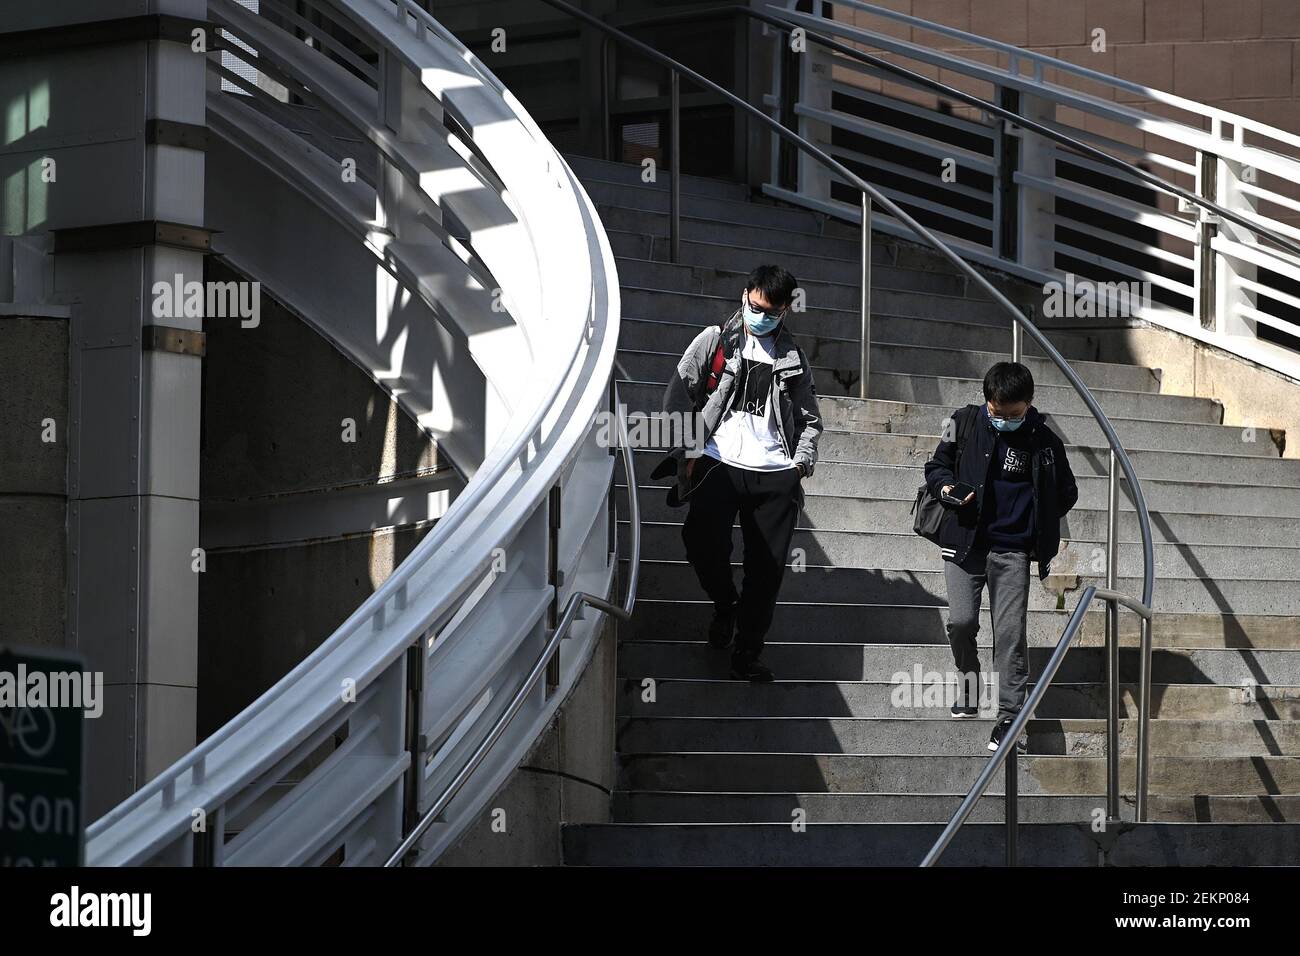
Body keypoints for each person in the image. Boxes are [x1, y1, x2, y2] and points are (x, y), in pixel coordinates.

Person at [651, 265, 822, 682]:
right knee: (701, 543)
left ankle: (747, 651)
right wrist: (687, 451)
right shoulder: (715, 340)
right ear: (745, 295)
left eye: (772, 311)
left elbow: (810, 419)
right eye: (756, 306)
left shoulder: (792, 358)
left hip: (774, 474)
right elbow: (677, 397)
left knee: (766, 572)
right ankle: (724, 604)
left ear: (785, 311)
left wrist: (800, 463)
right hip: (717, 462)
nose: (761, 316)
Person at [923, 361, 1079, 752]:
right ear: (986, 401)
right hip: (963, 543)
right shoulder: (963, 422)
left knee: (1010, 636)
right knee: (961, 623)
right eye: (997, 412)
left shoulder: (1045, 442)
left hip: (1011, 551)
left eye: (1014, 414)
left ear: (1029, 404)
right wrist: (948, 489)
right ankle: (969, 682)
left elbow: (1067, 492)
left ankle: (1010, 718)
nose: (1004, 420)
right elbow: (936, 465)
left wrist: (1038, 521)